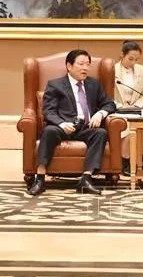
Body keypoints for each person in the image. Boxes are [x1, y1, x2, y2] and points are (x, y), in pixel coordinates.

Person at [27, 49, 116, 196]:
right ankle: (40, 178)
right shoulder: (56, 85)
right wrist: (61, 124)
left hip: (86, 128)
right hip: (63, 127)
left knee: (100, 133)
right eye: (81, 64)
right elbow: (48, 111)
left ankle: (86, 179)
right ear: (69, 66)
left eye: (88, 64)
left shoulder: (94, 84)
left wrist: (100, 114)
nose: (85, 68)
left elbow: (109, 104)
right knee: (49, 131)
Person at [114, 40, 143, 176]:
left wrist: (137, 106)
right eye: (130, 59)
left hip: (136, 109)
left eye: (136, 59)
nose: (133, 62)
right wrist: (121, 106)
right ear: (122, 55)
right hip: (118, 110)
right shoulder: (113, 70)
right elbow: (107, 93)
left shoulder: (141, 70)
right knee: (129, 126)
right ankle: (126, 162)